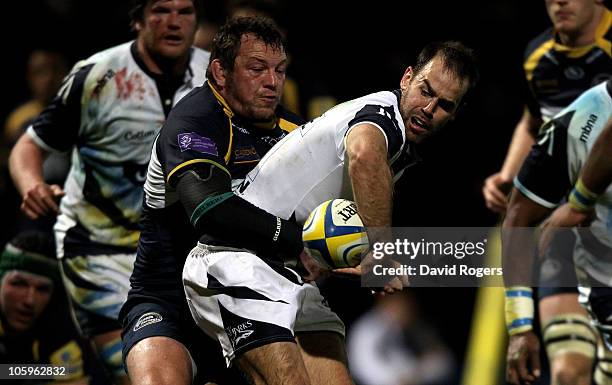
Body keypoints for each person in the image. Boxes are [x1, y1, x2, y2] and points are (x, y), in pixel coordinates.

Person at [180, 41, 478, 385]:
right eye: (426, 91)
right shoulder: (382, 117)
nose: (428, 108)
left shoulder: (399, 144)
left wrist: (332, 260)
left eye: (444, 105)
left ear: (454, 114)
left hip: (287, 274)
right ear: (407, 78)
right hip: (235, 261)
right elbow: (364, 155)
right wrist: (379, 252)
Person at [8, 0, 209, 383]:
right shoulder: (96, 76)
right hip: (99, 250)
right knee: (138, 371)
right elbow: (29, 146)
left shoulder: (217, 73)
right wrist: (32, 185)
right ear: (137, 20)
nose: (173, 22)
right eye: (160, 11)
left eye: (184, 11)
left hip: (184, 248)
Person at [119, 16, 304, 385]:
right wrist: (303, 239)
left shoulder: (295, 134)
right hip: (167, 304)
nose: (272, 82)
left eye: (279, 70)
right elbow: (210, 211)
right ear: (220, 72)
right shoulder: (193, 119)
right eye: (257, 69)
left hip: (251, 306)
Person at [483, 1, 611, 383]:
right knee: (568, 371)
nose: (560, 2)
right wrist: (508, 175)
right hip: (568, 231)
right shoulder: (537, 57)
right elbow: (533, 120)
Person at [502, 79, 612, 385]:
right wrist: (520, 324)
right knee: (568, 373)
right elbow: (518, 217)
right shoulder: (579, 120)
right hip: (587, 258)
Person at [0, 231, 90, 384]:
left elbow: (67, 372)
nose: (30, 300)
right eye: (18, 283)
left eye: (42, 289)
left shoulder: (62, 337)